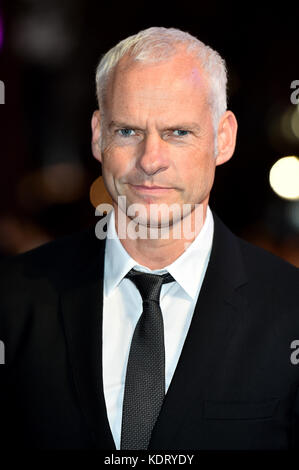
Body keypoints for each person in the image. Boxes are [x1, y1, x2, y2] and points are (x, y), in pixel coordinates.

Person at [0, 26, 299, 451]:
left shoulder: (289, 310)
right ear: (98, 135)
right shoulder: (13, 300)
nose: (151, 160)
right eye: (128, 131)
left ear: (223, 138)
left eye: (178, 132)